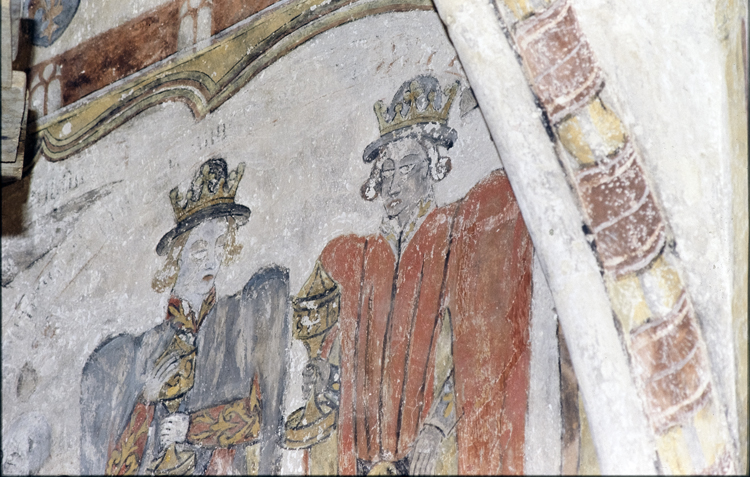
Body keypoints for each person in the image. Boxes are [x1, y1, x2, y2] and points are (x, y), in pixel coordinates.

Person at [295, 75, 534, 475]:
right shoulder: (363, 257)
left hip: (430, 454)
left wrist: (439, 424)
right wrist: (327, 378)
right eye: (387, 170)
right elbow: (358, 380)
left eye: (407, 167)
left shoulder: (458, 231)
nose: (393, 182)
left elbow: (482, 346)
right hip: (368, 462)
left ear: (434, 167)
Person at [80, 158, 290, 475]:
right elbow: (118, 468)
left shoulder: (236, 322)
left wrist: (190, 427)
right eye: (200, 249)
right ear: (178, 255)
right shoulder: (147, 347)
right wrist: (147, 401)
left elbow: (259, 418)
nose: (212, 260)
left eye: (220, 245)